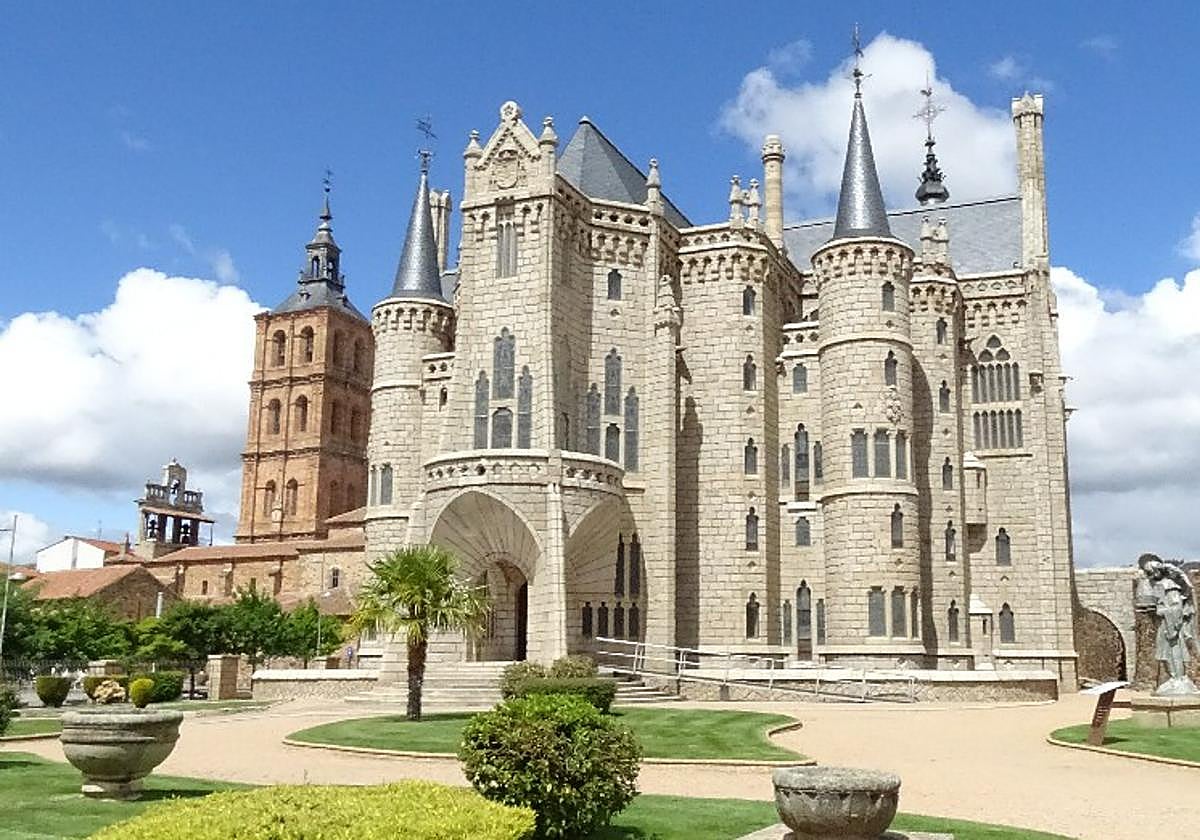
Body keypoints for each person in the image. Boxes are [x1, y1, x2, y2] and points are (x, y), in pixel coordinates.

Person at [1137, 553, 1199, 695]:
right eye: (1148, 572)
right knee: (1164, 653)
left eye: (1150, 571)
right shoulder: (1158, 585)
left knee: (1174, 651)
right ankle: (1173, 678)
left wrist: (1162, 611)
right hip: (1164, 624)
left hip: (1171, 627)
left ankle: (1178, 678)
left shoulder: (1169, 585)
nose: (1149, 575)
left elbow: (1176, 607)